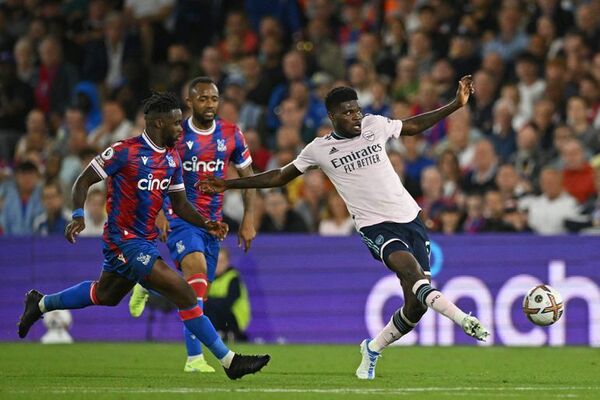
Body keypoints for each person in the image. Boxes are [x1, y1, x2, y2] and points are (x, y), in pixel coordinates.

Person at [198, 77, 490, 380]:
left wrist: (455, 105)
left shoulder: (375, 125)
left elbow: (413, 126)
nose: (355, 117)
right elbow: (278, 177)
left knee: (416, 306)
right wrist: (228, 184)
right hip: (375, 225)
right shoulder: (320, 149)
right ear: (332, 117)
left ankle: (373, 349)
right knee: (413, 273)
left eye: (357, 110)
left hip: (410, 219)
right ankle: (463, 319)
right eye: (348, 112)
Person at [17, 92, 269, 380]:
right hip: (123, 240)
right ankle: (230, 361)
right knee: (186, 294)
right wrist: (77, 214)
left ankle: (40, 303)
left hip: (144, 240)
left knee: (105, 294)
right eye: (176, 124)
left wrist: (207, 223)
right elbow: (84, 179)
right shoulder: (125, 151)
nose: (180, 129)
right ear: (159, 123)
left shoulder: (173, 158)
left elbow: (180, 205)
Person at [128, 77, 256, 373]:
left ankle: (148, 285)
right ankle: (194, 359)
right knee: (196, 278)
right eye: (203, 99)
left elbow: (248, 177)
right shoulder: (176, 132)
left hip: (213, 224)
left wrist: (248, 219)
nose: (209, 104)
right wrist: (159, 210)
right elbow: (154, 171)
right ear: (190, 102)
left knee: (194, 292)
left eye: (213, 99)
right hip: (181, 218)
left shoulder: (231, 133)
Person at [204, 248, 252, 342]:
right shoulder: (208, 279)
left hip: (235, 317)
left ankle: (227, 333)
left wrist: (209, 301)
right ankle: (216, 334)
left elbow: (228, 302)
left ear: (227, 262)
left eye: (222, 262)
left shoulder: (233, 278)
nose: (218, 265)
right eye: (216, 261)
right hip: (216, 314)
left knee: (212, 305)